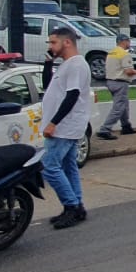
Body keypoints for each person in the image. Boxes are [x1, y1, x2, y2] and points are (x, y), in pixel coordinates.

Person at [41, 26, 93, 229]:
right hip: (65, 126)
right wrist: (48, 63)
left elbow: (72, 96)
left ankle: (71, 206)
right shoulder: (66, 65)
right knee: (68, 167)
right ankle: (76, 205)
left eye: (53, 42)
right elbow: (48, 87)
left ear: (67, 42)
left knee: (49, 167)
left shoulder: (77, 65)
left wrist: (54, 122)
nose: (50, 46)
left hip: (65, 127)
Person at [97, 34, 136, 140]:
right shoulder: (124, 54)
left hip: (110, 81)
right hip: (120, 82)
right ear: (124, 41)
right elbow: (128, 71)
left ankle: (126, 126)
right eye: (128, 41)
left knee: (124, 105)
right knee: (118, 108)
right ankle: (105, 129)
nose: (129, 44)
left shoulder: (111, 52)